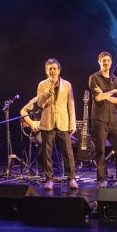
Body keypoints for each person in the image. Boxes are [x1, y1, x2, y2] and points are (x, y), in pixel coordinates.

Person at [20, 59, 77, 192]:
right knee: (46, 153)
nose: (52, 71)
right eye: (49, 69)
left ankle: (71, 178)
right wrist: (48, 92)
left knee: (68, 152)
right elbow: (39, 104)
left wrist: (72, 123)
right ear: (46, 71)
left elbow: (71, 105)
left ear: (59, 70)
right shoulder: (42, 85)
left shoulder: (67, 85)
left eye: (54, 68)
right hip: (47, 123)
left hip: (63, 122)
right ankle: (49, 179)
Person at [90, 52, 117, 187]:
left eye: (108, 60)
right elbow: (98, 98)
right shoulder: (94, 78)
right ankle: (101, 178)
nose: (106, 63)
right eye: (103, 60)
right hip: (99, 119)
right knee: (100, 150)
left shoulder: (115, 79)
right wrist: (112, 93)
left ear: (111, 62)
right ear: (99, 62)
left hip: (113, 119)